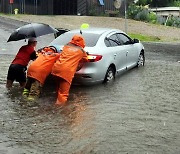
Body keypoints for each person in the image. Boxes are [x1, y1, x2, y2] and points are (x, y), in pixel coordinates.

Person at [51, 34, 88, 106]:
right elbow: (86, 59)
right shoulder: (81, 51)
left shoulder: (66, 46)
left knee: (58, 89)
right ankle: (58, 110)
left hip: (56, 69)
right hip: (66, 72)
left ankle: (55, 103)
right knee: (63, 94)